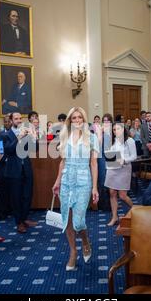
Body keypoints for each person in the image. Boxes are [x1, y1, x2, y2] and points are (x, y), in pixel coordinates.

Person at [52, 107, 99, 271]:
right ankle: (73, 251)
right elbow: (62, 162)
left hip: (83, 180)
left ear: (84, 120)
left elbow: (94, 164)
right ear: (70, 121)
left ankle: (85, 240)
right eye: (74, 118)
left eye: (80, 118)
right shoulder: (64, 137)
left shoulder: (92, 138)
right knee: (67, 220)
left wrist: (94, 187)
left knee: (79, 222)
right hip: (66, 181)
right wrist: (57, 181)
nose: (77, 120)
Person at [0, 112, 37, 233]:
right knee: (16, 197)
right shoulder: (4, 135)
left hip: (27, 169)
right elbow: (7, 150)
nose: (19, 120)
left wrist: (33, 137)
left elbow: (34, 150)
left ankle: (24, 218)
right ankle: (18, 222)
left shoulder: (26, 133)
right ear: (11, 120)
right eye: (16, 119)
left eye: (20, 118)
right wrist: (18, 138)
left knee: (27, 195)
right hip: (13, 170)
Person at [105, 122, 137, 226]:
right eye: (114, 130)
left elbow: (134, 156)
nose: (116, 131)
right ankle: (114, 217)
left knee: (122, 196)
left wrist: (124, 160)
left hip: (124, 169)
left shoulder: (129, 140)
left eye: (118, 129)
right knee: (112, 193)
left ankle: (136, 211)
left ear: (123, 129)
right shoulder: (112, 141)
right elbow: (110, 154)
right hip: (113, 168)